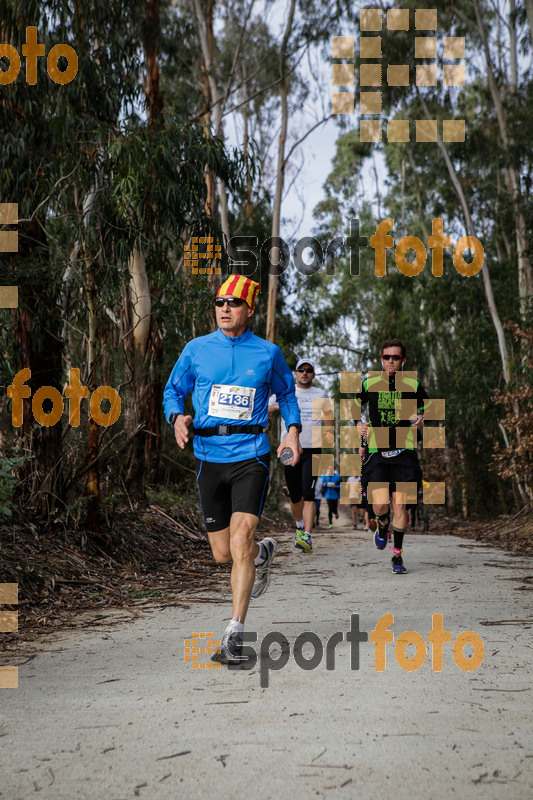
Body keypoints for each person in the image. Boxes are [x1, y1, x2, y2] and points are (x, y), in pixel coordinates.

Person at [163, 274, 302, 665]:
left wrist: (291, 432)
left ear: (249, 309)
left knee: (240, 540)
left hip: (251, 455)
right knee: (224, 554)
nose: (225, 308)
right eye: (220, 302)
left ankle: (234, 635)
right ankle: (262, 554)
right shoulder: (196, 349)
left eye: (234, 303)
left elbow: (287, 393)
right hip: (209, 456)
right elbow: (173, 390)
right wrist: (176, 417)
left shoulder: (268, 352)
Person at [355, 338, 428, 574]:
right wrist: (359, 423)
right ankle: (382, 524)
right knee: (379, 504)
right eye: (386, 357)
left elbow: (429, 406)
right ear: (381, 359)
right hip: (377, 451)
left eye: (395, 357)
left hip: (405, 452)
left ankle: (397, 556)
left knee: (400, 504)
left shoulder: (412, 384)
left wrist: (422, 417)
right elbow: (355, 405)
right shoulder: (370, 383)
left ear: (403, 360)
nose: (390, 361)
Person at [268, 358, 333, 553]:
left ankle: (307, 535)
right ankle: (298, 526)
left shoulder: (321, 394)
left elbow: (329, 419)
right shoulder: (285, 392)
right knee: (295, 495)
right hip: (289, 448)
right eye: (301, 370)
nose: (305, 373)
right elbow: (266, 407)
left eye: (309, 370)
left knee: (309, 493)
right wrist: (278, 407)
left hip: (313, 449)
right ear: (295, 373)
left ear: (313, 374)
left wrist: (328, 438)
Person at [321, 464, 341, 529]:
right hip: (328, 495)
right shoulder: (325, 477)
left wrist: (336, 486)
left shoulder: (338, 477)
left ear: (334, 470)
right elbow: (322, 486)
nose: (330, 470)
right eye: (329, 469)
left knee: (334, 509)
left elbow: (342, 484)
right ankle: (330, 524)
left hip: (335, 496)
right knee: (330, 509)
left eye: (331, 469)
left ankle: (336, 513)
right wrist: (323, 486)